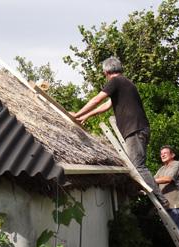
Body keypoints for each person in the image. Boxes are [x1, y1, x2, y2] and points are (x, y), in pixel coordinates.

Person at [71, 56, 169, 208]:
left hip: (135, 129)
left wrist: (76, 114)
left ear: (106, 72)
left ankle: (162, 200)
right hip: (138, 129)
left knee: (138, 167)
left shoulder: (116, 82)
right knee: (136, 166)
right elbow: (106, 105)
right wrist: (86, 116)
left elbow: (97, 100)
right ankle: (149, 194)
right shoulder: (126, 84)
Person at [155, 145, 179, 233]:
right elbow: (153, 181)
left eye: (165, 153)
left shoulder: (176, 165)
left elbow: (168, 179)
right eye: (161, 154)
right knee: (171, 236)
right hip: (167, 206)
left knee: (178, 235)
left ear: (172, 155)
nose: (162, 155)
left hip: (177, 207)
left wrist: (149, 181)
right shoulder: (162, 168)